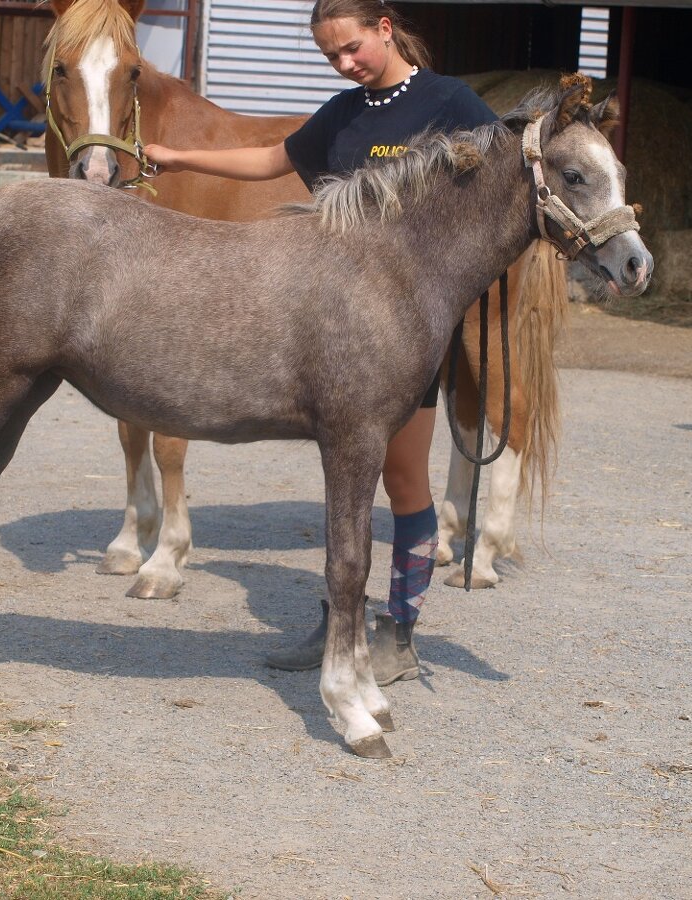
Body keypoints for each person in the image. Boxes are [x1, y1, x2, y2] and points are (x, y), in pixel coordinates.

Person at [144, 0, 498, 684]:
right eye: (330, 56)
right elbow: (274, 159)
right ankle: (340, 622)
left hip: (402, 337)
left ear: (385, 28)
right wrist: (179, 154)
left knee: (402, 482)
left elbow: (503, 188)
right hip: (338, 335)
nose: (343, 63)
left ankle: (399, 632)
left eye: (351, 48)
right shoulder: (343, 111)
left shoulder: (450, 101)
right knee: (347, 487)